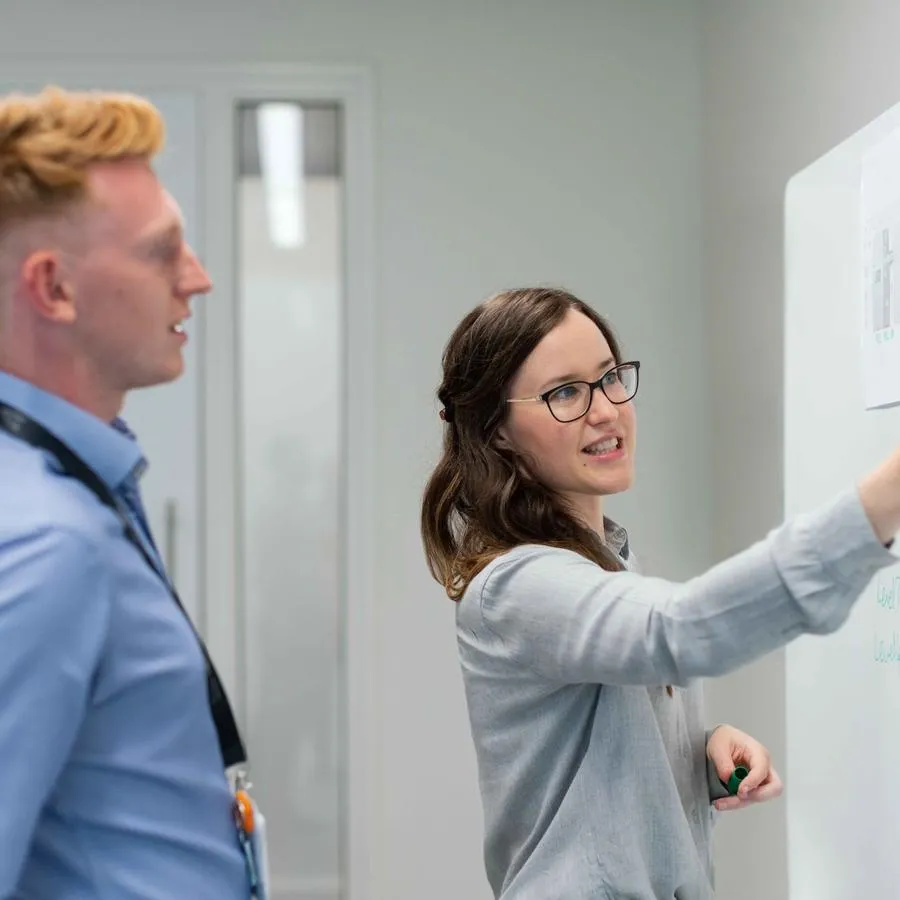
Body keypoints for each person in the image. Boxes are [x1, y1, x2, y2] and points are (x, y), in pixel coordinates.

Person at [421, 286, 899, 899]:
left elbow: (590, 768)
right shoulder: (518, 585)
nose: (605, 410)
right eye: (565, 392)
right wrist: (885, 498)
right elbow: (676, 631)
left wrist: (693, 754)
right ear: (499, 432)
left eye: (610, 378)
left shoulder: (610, 565)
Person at [0, 87, 250, 898]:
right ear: (54, 289)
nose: (198, 278)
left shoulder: (72, 490)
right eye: (162, 251)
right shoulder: (47, 541)